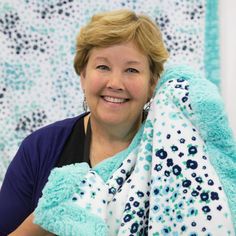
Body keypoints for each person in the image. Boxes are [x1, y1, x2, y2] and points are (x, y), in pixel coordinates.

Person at [0, 9, 169, 235]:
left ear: (152, 84)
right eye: (103, 67)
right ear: (83, 75)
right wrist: (44, 221)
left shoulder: (172, 151)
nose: (115, 83)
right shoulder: (39, 148)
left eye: (131, 69)